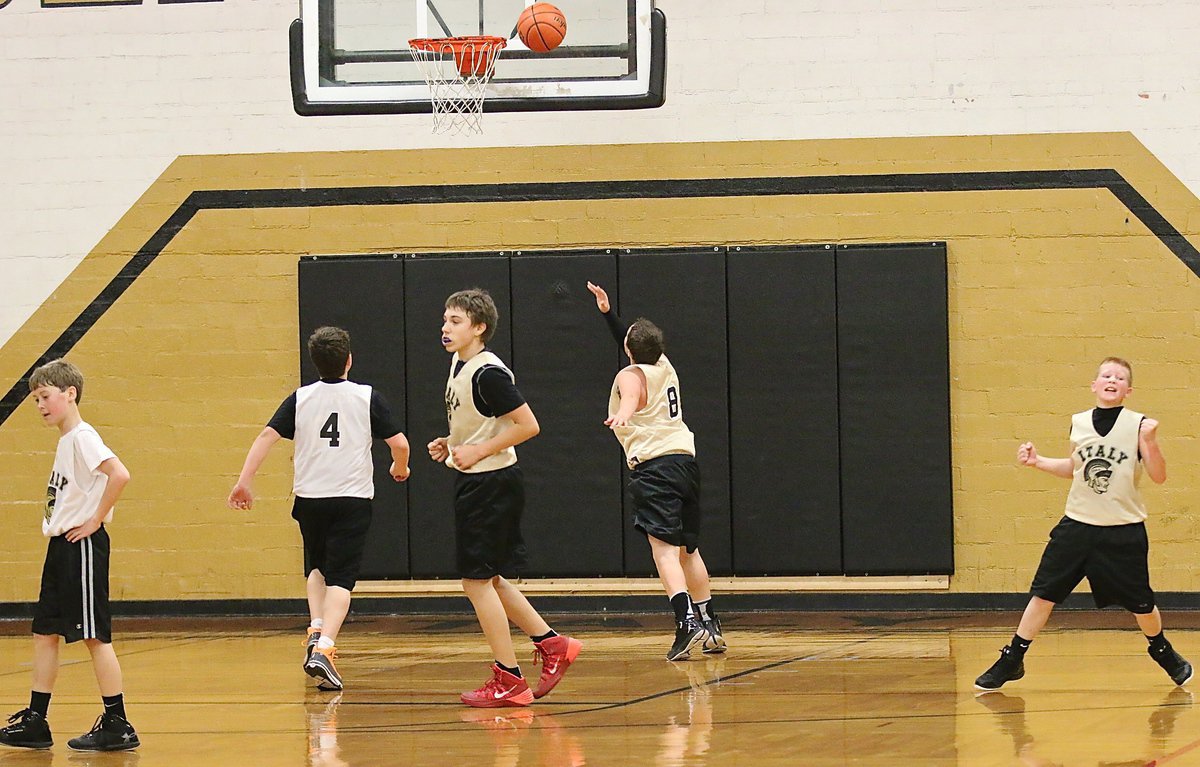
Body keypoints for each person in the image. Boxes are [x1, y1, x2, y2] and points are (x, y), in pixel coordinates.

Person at [975, 357, 1191, 691]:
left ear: (1128, 390)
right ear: (1094, 384)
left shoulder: (1139, 425)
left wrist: (1150, 441)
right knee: (1044, 594)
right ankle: (1012, 658)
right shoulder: (1079, 423)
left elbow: (1159, 477)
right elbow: (1074, 468)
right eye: (1106, 375)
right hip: (1077, 526)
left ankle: (1162, 650)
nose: (1112, 380)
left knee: (1141, 603)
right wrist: (1038, 462)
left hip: (1123, 529)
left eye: (1119, 378)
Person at [228, 326, 411, 692]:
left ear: (315, 362)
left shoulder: (300, 398)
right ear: (349, 360)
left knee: (316, 565)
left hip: (310, 497)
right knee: (342, 578)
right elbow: (400, 443)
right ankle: (325, 648)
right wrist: (400, 468)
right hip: (351, 498)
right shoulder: (366, 397)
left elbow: (266, 436)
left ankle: (315, 628)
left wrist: (244, 480)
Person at [428, 288, 581, 707]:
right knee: (490, 578)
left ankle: (509, 678)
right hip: (477, 480)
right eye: (444, 319)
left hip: (490, 484)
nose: (445, 327)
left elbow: (528, 425)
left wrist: (477, 451)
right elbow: (484, 424)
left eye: (455, 321)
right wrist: (453, 441)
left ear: (479, 328)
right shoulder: (460, 364)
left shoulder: (487, 372)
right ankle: (552, 645)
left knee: (475, 581)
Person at [0, 359, 139, 752]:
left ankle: (118, 722)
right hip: (61, 546)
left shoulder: (82, 436)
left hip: (82, 546)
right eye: (35, 399)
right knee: (45, 633)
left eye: (45, 396)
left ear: (70, 393)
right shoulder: (67, 440)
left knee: (94, 636)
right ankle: (36, 721)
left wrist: (95, 519)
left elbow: (120, 474)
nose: (40, 405)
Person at [586, 281, 725, 661]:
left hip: (655, 468)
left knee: (663, 551)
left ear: (630, 351)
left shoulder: (630, 376)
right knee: (688, 549)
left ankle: (686, 623)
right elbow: (633, 345)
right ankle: (711, 625)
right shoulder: (664, 366)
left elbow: (630, 394)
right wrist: (607, 312)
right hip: (685, 464)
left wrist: (622, 415)